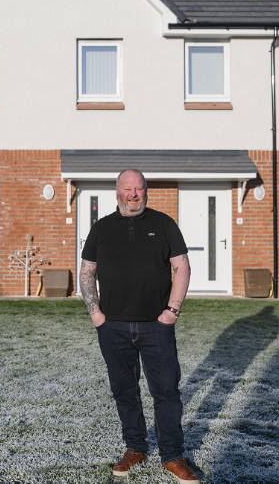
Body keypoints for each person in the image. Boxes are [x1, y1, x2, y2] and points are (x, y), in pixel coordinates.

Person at [78, 169, 201, 484]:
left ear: (146, 190)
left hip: (155, 327)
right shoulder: (101, 228)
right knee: (124, 391)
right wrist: (96, 313)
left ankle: (172, 456)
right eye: (128, 189)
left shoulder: (163, 224)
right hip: (113, 327)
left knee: (166, 392)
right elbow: (86, 272)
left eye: (139, 189)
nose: (134, 194)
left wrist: (172, 310)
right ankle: (135, 448)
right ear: (117, 192)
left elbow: (182, 266)